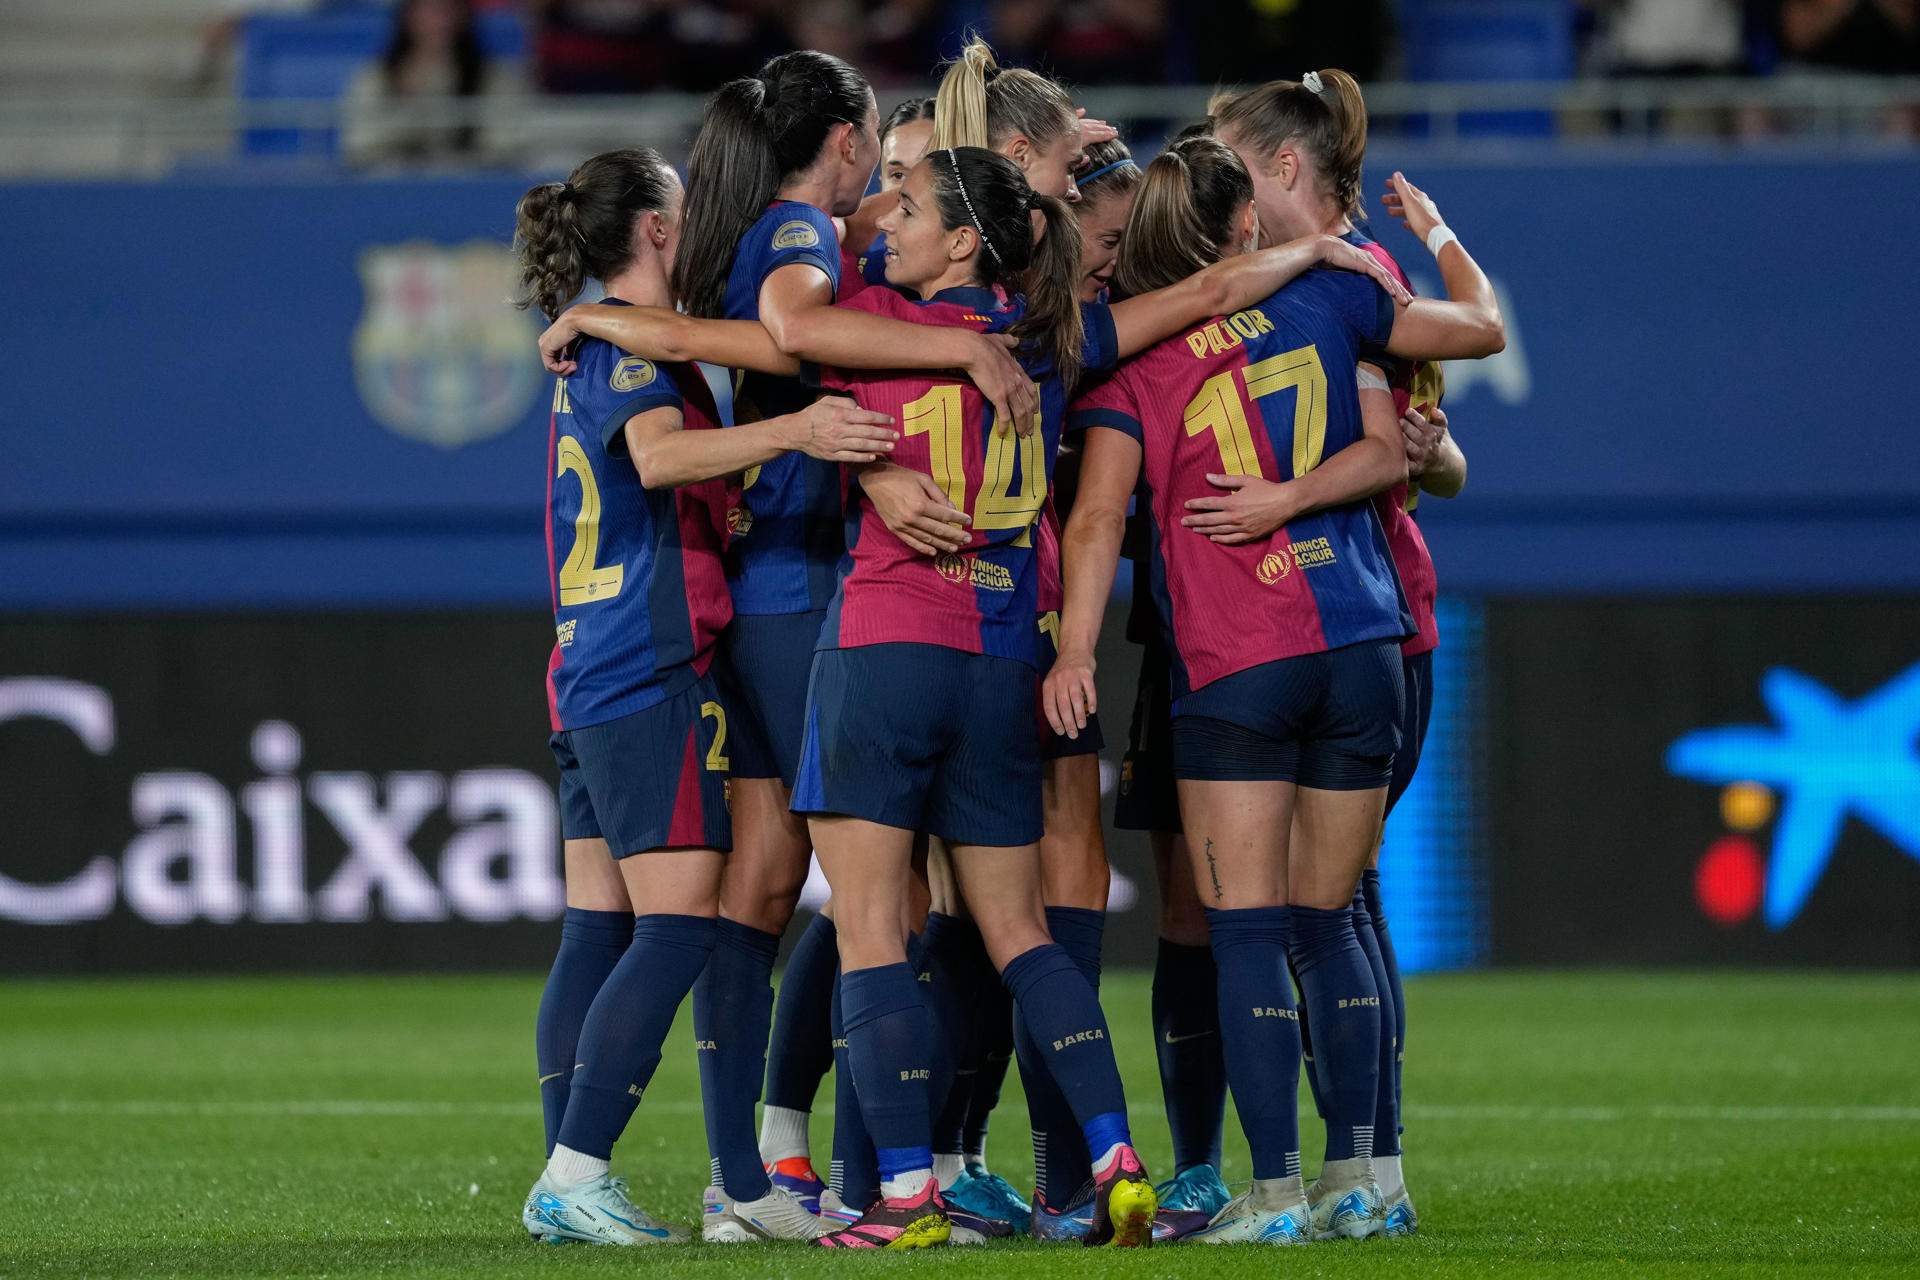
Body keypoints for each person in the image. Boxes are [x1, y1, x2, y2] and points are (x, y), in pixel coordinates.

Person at [535, 140, 1412, 1239]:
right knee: (1022, 931)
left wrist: (594, 319)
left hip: (883, 651)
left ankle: (902, 1192)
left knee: (868, 928)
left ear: (959, 239)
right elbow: (1213, 288)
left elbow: (732, 336)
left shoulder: (873, 333)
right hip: (1005, 658)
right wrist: (1323, 249)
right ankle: (1115, 1153)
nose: (883, 218)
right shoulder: (1051, 339)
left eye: (906, 205)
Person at [1046, 132, 1503, 1246]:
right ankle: (1368, 1180)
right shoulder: (1341, 300)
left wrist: (1074, 650)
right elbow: (1436, 404)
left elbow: (1100, 517)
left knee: (1244, 932)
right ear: (1247, 226)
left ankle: (1277, 1192)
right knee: (1332, 916)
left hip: (1239, 656)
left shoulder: (1131, 366)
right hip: (1361, 643)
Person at [513, 147, 897, 1247]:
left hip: (584, 661)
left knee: (598, 927)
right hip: (647, 664)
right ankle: (574, 1172)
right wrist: (793, 428)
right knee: (680, 926)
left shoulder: (594, 344)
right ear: (658, 230)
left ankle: (581, 1175)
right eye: (688, 209)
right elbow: (664, 461)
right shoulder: (636, 363)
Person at [1208, 70, 1498, 1238]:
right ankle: (1367, 1171)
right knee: (1344, 907)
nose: (1218, 192)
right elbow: (1440, 456)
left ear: (1282, 169)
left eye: (1232, 168)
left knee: (1335, 906)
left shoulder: (1351, 279)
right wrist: (1423, 454)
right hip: (1358, 616)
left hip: (1365, 613)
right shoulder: (1308, 280)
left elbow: (1438, 453)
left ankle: (1360, 1164)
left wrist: (1402, 459)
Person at [343, 0, 516, 169]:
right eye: (429, 10)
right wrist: (410, 111)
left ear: (464, 15)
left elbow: (510, 143)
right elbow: (361, 145)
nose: (440, 22)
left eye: (448, 10)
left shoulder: (493, 76)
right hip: (396, 185)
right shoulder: (377, 77)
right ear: (408, 16)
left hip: (473, 184)